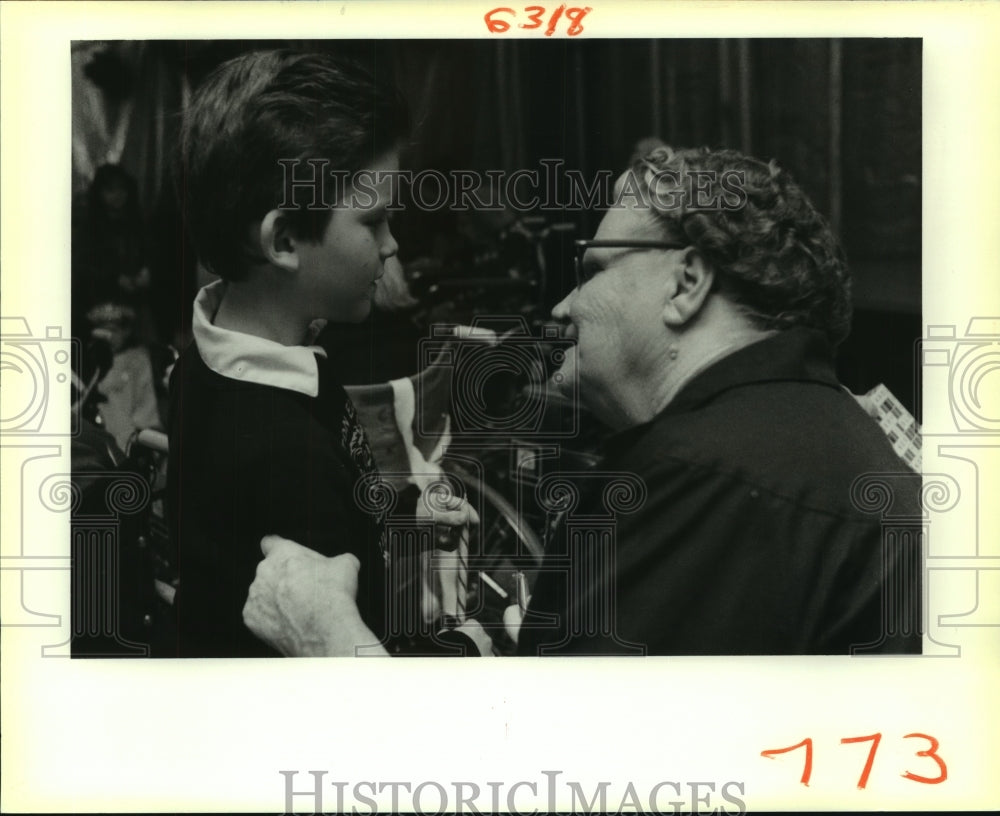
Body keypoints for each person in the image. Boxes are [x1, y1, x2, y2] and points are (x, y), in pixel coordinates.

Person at [242, 145, 921, 656]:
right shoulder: (802, 441)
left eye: (592, 270)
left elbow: (555, 776)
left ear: (686, 282)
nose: (566, 304)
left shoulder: (708, 475)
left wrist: (327, 640)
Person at [167, 49, 475, 657]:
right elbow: (347, 648)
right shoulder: (282, 453)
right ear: (284, 240)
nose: (392, 246)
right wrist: (467, 647)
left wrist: (400, 518)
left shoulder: (216, 355)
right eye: (374, 222)